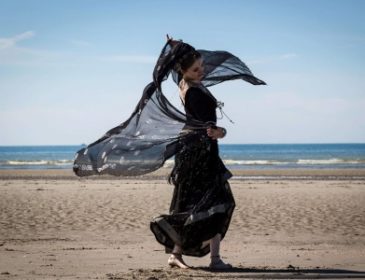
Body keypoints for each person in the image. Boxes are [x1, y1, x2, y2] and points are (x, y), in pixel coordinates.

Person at [150, 38, 236, 269]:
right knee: (216, 202)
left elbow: (207, 126)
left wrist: (178, 46)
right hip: (198, 151)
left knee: (200, 204)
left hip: (200, 149)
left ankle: (177, 255)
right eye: (195, 69)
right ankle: (213, 260)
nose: (201, 72)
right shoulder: (190, 89)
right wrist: (219, 131)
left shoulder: (190, 84)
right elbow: (206, 126)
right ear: (183, 71)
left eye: (202, 66)